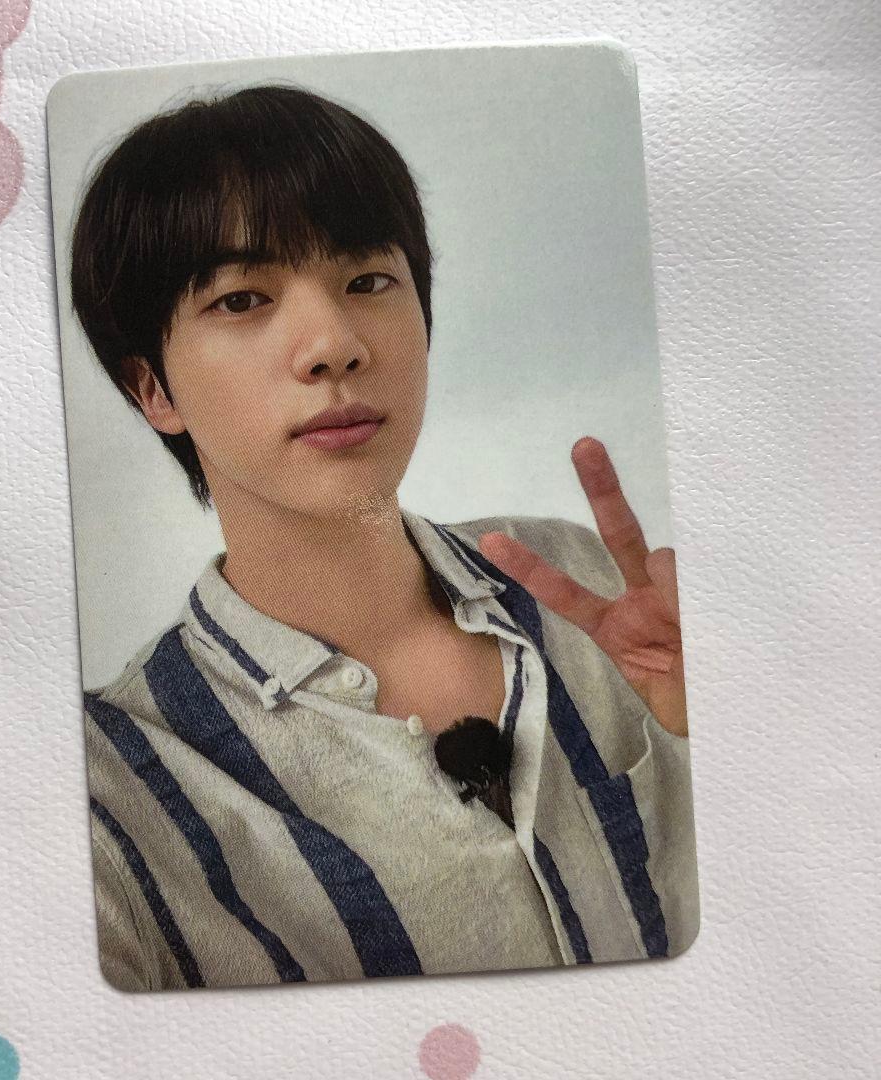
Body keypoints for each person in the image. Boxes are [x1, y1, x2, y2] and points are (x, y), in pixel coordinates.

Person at [68, 82, 699, 992]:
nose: (333, 344)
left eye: (367, 282)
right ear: (152, 389)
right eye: (243, 299)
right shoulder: (110, 785)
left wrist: (728, 723)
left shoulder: (588, 579)